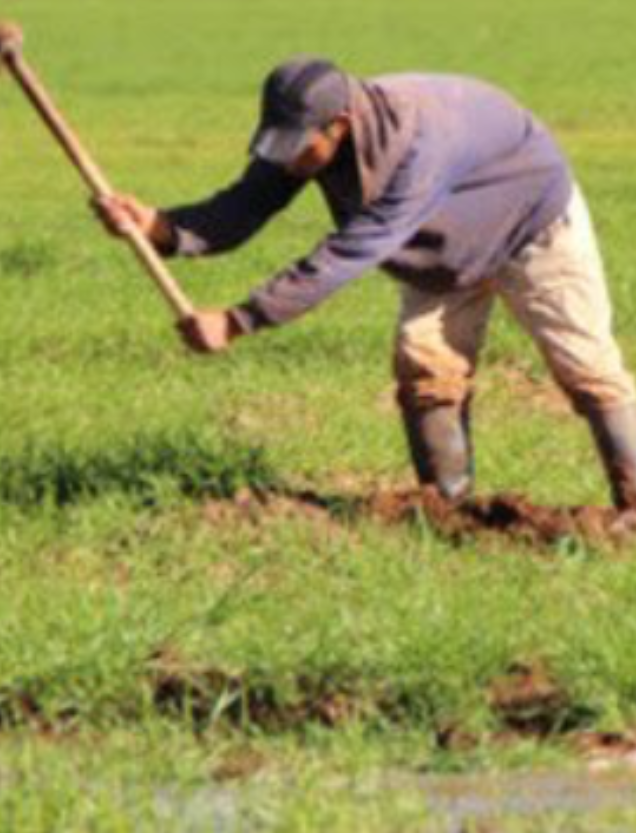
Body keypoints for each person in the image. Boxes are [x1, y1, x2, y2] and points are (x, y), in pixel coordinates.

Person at [93, 57, 636, 509]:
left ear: (341, 125)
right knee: (425, 367)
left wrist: (239, 320)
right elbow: (242, 207)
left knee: (586, 367)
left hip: (530, 223)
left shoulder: (417, 142)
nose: (288, 159)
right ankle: (446, 513)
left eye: (298, 146)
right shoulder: (302, 139)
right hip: (441, 248)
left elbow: (347, 252)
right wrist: (158, 226)